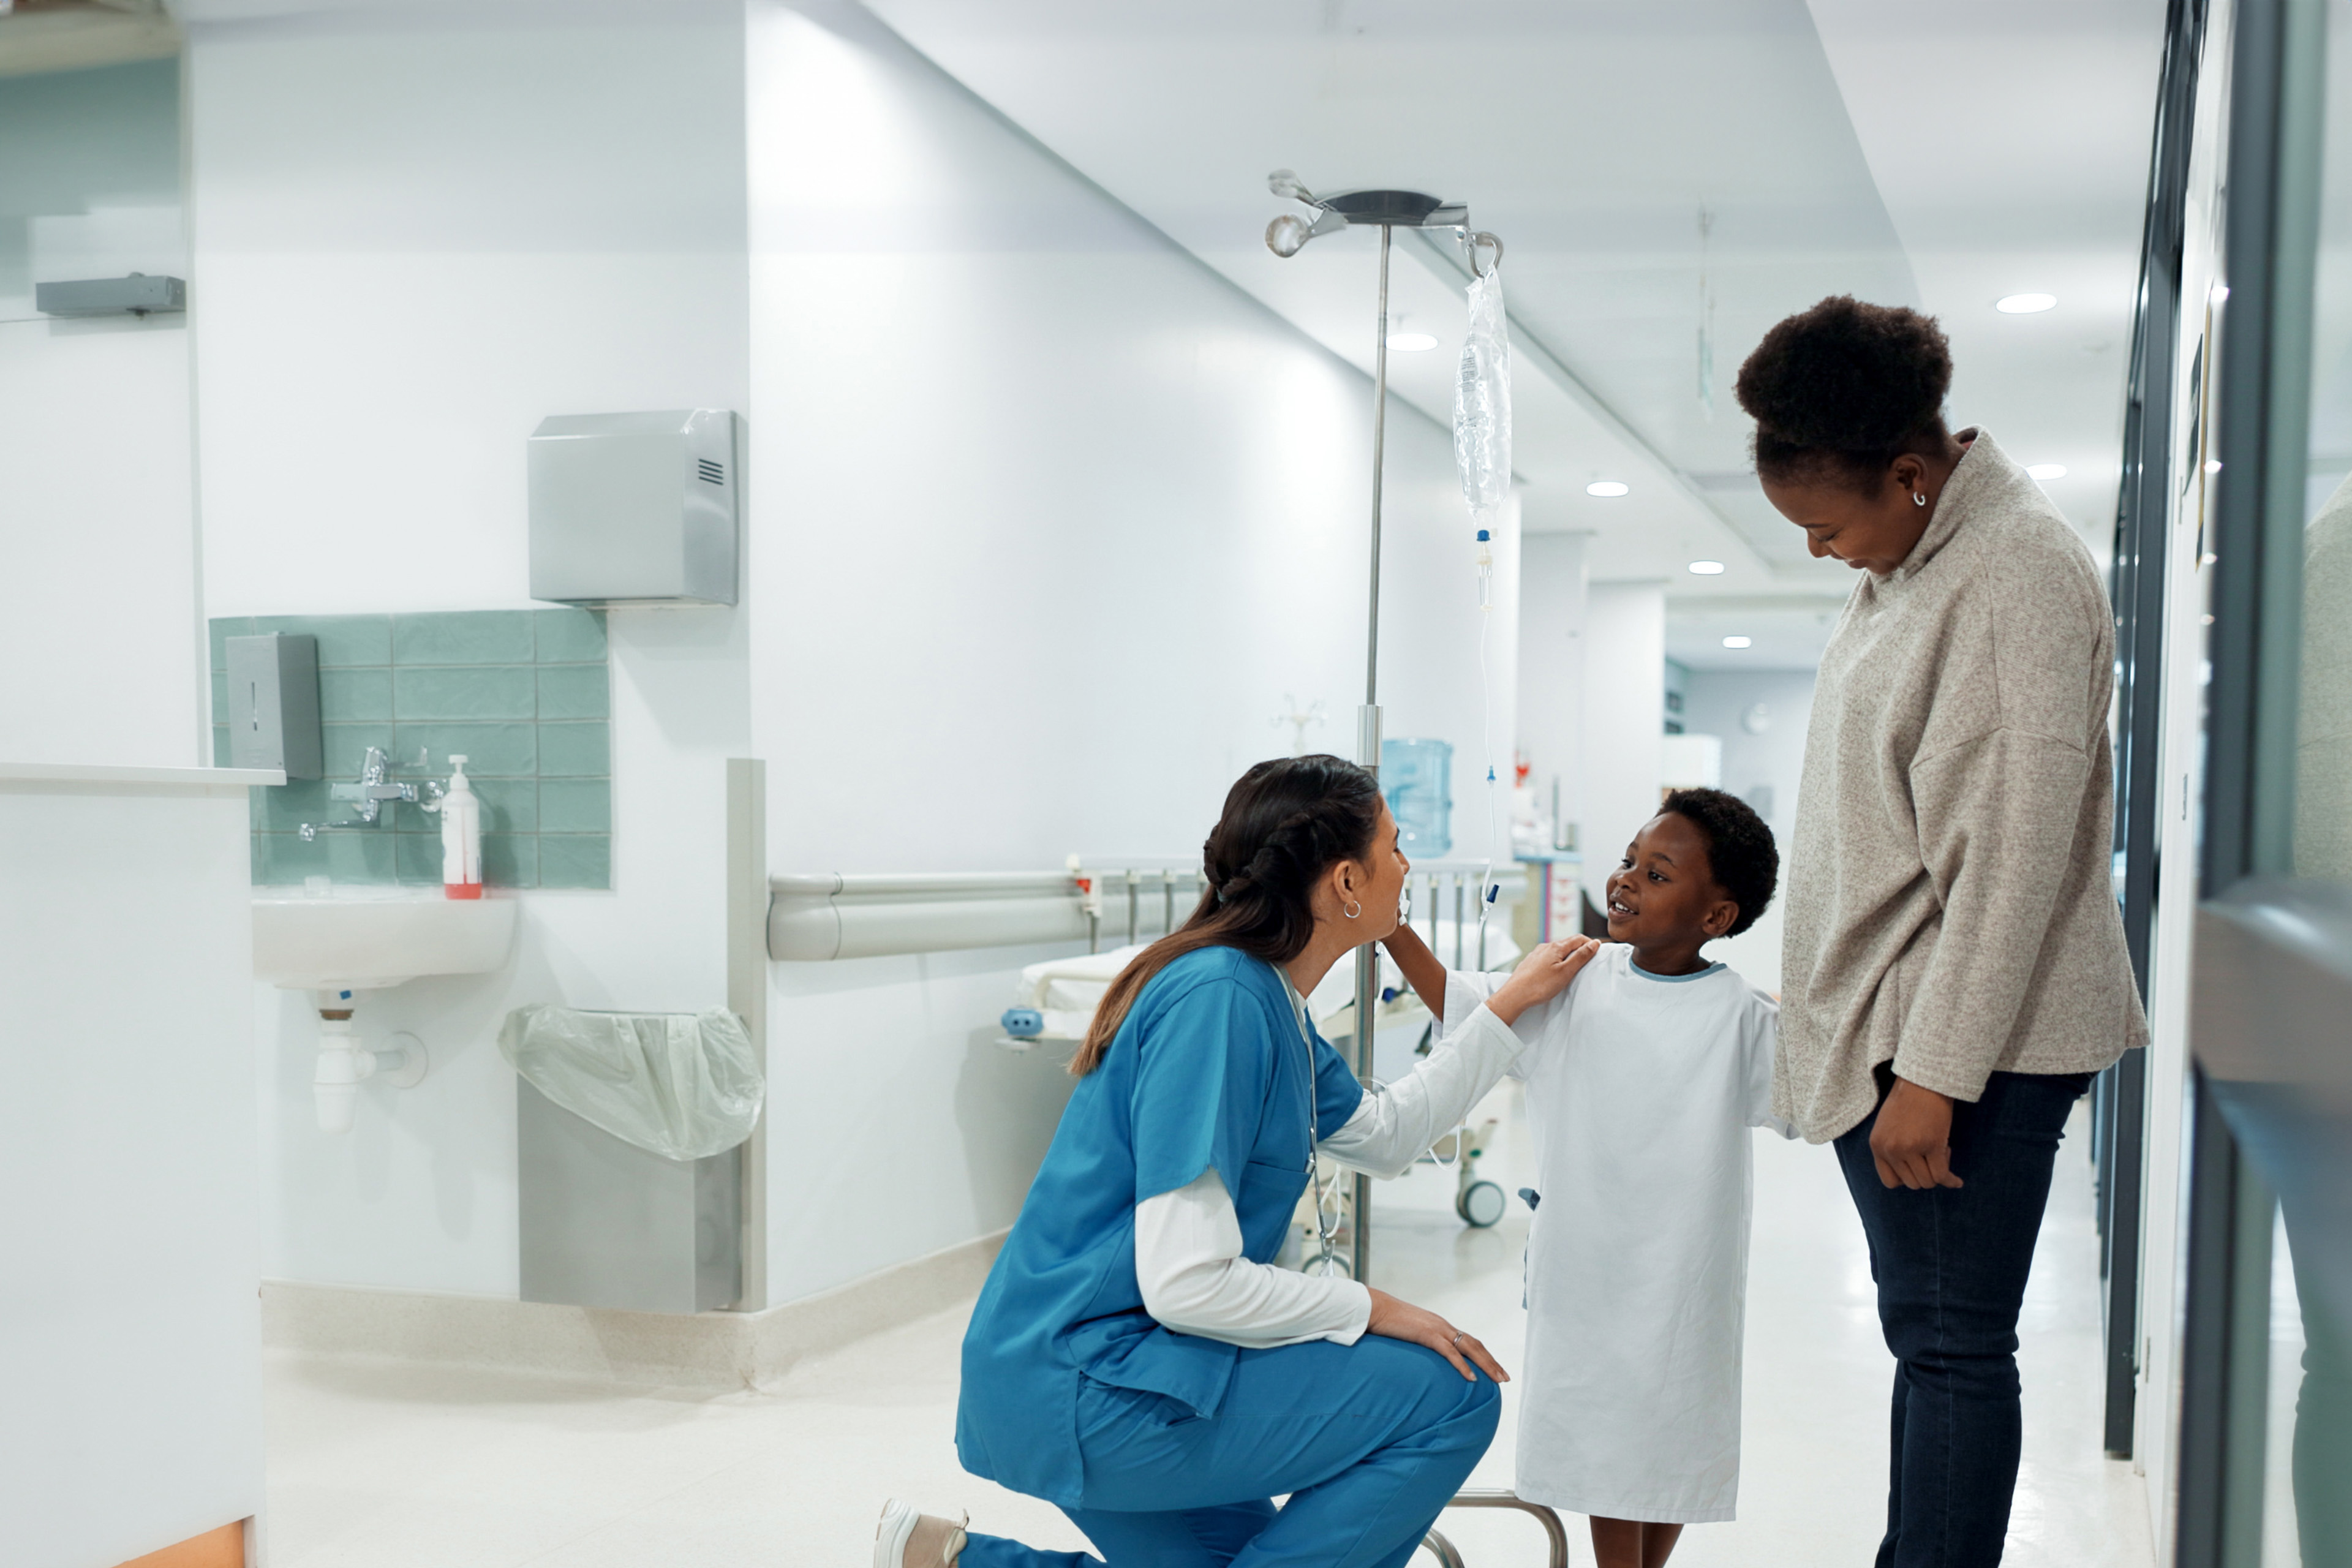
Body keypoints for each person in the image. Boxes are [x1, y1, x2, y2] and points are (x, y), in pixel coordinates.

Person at [877, 753, 1602, 1568]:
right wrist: (1373, 1306)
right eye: (1394, 849)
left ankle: (955, 1561)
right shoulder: (1220, 1001)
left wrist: (1506, 1006)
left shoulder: (1270, 1001)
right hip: (1090, 1383)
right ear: (1344, 884)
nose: (1407, 867)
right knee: (1452, 1395)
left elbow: (1387, 1134)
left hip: (1104, 1368)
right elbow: (1186, 1281)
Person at [1735, 296, 2147, 1568]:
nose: (1820, 552)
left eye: (1827, 525)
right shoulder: (1921, 560)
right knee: (1935, 1336)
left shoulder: (2013, 570)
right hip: (1914, 1025)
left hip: (1964, 1045)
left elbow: (2015, 856)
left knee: (1956, 1343)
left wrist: (1936, 1073)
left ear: (1910, 475)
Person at [1389, 790, 1793, 1568]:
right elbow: (1464, 1004)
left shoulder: (1741, 1016)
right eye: (1629, 860)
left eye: (1658, 873)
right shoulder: (1575, 976)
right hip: (1590, 1266)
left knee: (1669, 1447)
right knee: (1611, 1444)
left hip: (1685, 1276)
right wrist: (1392, 927)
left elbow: (1813, 1099)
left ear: (1716, 916)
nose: (1627, 880)